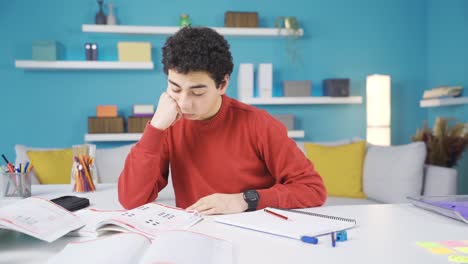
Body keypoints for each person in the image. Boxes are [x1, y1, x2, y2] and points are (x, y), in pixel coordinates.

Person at [118, 27, 326, 215]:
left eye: (197, 92)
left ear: (223, 84)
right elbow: (131, 201)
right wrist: (155, 128)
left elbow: (313, 189)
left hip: (256, 234)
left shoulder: (259, 124)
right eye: (175, 88)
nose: (184, 103)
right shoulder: (167, 124)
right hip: (195, 235)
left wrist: (245, 200)